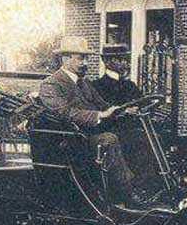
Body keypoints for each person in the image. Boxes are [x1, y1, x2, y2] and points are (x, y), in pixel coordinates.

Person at [37, 36, 146, 208]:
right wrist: (100, 115)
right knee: (109, 139)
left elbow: (104, 105)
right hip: (69, 142)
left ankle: (146, 187)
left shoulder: (85, 83)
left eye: (86, 58)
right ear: (65, 59)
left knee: (135, 136)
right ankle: (127, 194)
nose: (85, 62)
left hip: (86, 137)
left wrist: (123, 110)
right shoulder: (51, 84)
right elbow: (65, 113)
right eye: (81, 58)